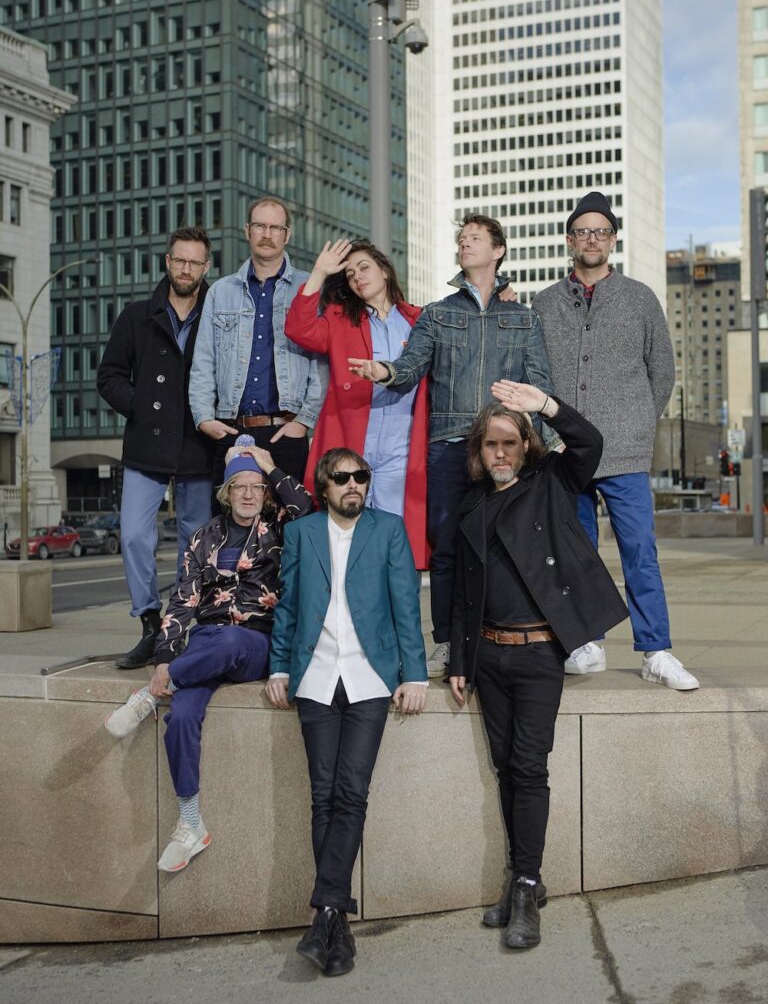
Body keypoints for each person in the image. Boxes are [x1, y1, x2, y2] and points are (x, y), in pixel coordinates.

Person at [449, 381, 628, 949]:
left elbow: (590, 444)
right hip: (487, 654)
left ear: (526, 445)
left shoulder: (550, 482)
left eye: (509, 442)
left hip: (537, 654)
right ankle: (523, 877)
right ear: (478, 452)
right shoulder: (472, 503)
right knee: (506, 768)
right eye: (490, 444)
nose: (499, 453)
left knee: (528, 768)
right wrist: (458, 657)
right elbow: (461, 588)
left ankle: (525, 885)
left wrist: (546, 406)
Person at [348, 213, 554, 675]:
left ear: (498, 250)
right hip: (448, 446)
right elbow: (411, 367)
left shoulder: (524, 318)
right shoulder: (438, 313)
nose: (465, 244)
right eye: (461, 238)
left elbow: (539, 384)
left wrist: (545, 442)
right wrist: (384, 371)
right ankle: (444, 641)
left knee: (505, 548)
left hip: (503, 448)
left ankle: (501, 635)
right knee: (445, 550)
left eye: (475, 238)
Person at [104, 439, 312, 873]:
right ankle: (191, 822)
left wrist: (270, 466)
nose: (249, 494)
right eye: (240, 486)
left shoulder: (280, 528)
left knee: (230, 641)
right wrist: (165, 658)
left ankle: (149, 697)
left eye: (256, 486)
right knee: (181, 716)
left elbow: (306, 506)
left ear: (265, 492)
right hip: (204, 645)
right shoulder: (203, 537)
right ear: (226, 492)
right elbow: (183, 600)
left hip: (255, 642)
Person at [266, 447, 428, 977]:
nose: (354, 484)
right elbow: (289, 605)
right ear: (324, 486)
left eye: (361, 476)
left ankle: (326, 914)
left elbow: (406, 604)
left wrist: (414, 674)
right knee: (323, 795)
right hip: (314, 677)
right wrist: (279, 667)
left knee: (351, 792)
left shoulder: (388, 530)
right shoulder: (301, 533)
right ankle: (335, 924)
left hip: (369, 677)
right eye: (342, 478)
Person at [532, 191, 699, 691]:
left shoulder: (640, 298)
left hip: (624, 449)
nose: (592, 239)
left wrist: (640, 423)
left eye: (600, 231)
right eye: (583, 232)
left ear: (613, 239)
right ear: (570, 240)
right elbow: (535, 375)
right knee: (574, 552)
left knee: (640, 550)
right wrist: (549, 434)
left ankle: (656, 650)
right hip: (566, 451)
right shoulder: (545, 303)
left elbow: (662, 371)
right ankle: (585, 642)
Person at [97, 226, 215, 669]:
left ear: (206, 267)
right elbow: (109, 376)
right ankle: (149, 622)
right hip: (146, 443)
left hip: (198, 444)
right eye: (179, 260)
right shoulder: (136, 315)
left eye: (195, 262)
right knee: (132, 534)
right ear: (168, 261)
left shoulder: (217, 313)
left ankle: (178, 625)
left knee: (194, 541)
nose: (186, 269)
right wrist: (143, 408)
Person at [284, 237, 429, 567]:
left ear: (385, 271)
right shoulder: (339, 318)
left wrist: (501, 295)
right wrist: (319, 273)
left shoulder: (419, 319)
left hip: (401, 449)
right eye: (350, 274)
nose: (357, 277)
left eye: (364, 268)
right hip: (352, 445)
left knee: (396, 544)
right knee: (345, 544)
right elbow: (298, 328)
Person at [188, 195, 327, 497]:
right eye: (260, 226)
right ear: (247, 230)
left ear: (287, 235)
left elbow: (321, 364)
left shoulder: (309, 288)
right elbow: (204, 361)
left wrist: (304, 421)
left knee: (291, 519)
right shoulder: (220, 292)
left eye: (276, 228)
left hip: (286, 432)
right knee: (229, 521)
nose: (267, 234)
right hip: (230, 429)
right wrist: (204, 418)